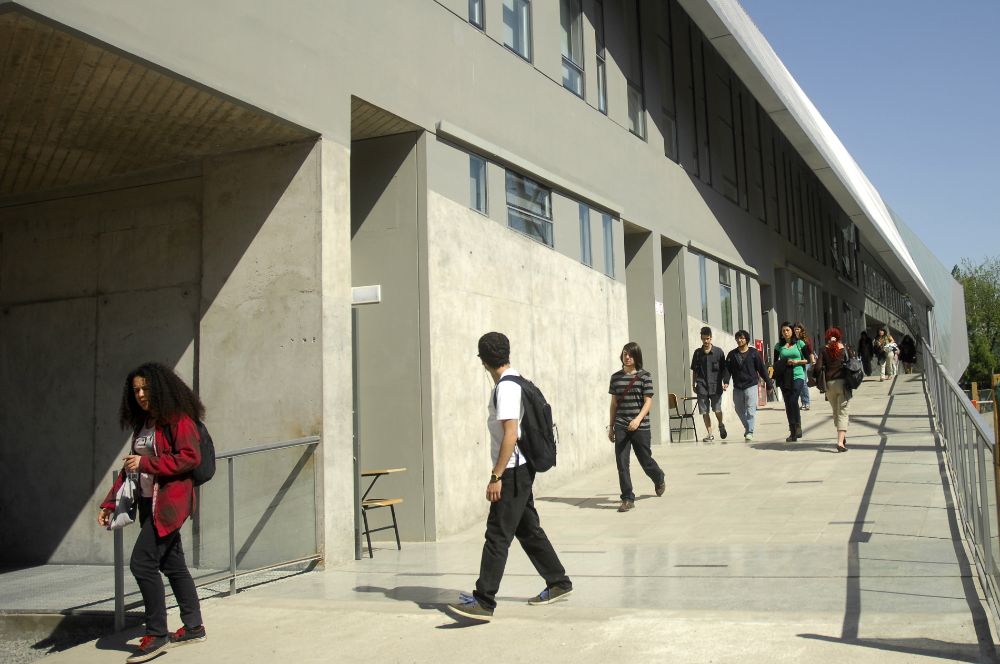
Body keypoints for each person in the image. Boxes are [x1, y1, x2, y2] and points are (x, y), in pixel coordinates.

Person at [448, 332, 572, 622]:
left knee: (497, 534)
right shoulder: (518, 380)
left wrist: (496, 476)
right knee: (528, 530)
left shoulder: (506, 388)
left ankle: (483, 600)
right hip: (521, 469)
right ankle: (558, 582)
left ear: (483, 360)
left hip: (513, 471)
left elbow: (511, 434)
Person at [98, 362, 207, 664]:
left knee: (142, 563)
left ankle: (157, 633)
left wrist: (146, 464)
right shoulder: (143, 423)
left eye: (146, 388)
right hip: (149, 503)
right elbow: (131, 467)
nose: (141, 394)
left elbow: (189, 457)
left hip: (170, 505)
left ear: (160, 387)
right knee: (173, 565)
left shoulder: (178, 419)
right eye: (136, 390)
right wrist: (110, 503)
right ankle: (194, 626)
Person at [607, 342, 666, 512]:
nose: (627, 357)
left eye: (630, 354)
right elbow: (613, 404)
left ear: (636, 357)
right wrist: (611, 427)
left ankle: (659, 477)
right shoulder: (615, 377)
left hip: (640, 426)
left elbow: (648, 401)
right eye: (625, 354)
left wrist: (638, 420)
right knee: (622, 463)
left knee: (645, 461)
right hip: (621, 424)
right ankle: (627, 498)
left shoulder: (645, 376)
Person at [723, 330, 773, 442]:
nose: (739, 340)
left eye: (741, 338)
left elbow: (762, 369)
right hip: (737, 386)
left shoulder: (754, 353)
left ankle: (750, 431)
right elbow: (727, 370)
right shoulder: (732, 354)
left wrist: (769, 384)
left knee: (750, 409)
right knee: (739, 409)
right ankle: (747, 427)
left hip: (751, 385)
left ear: (746, 339)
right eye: (737, 338)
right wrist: (726, 381)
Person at [813, 327, 854, 452]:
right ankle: (840, 442)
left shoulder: (823, 350)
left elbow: (818, 368)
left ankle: (841, 436)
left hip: (829, 385)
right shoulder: (844, 349)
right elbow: (852, 363)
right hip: (843, 384)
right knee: (843, 412)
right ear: (839, 336)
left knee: (836, 411)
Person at [690, 326, 729, 442]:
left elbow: (724, 369)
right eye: (703, 339)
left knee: (717, 409)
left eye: (707, 339)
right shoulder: (697, 353)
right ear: (701, 339)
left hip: (716, 386)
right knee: (704, 411)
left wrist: (725, 382)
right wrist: (693, 385)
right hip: (702, 386)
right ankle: (710, 434)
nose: (705, 341)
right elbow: (694, 371)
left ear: (711, 338)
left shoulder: (718, 352)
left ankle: (721, 424)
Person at [773, 322, 808, 442]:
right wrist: (785, 362)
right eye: (783, 331)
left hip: (798, 374)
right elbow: (775, 363)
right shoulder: (778, 346)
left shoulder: (800, 343)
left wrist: (796, 362)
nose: (785, 332)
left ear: (792, 331)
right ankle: (792, 431)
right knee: (788, 403)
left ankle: (797, 425)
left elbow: (807, 360)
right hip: (784, 377)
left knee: (793, 399)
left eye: (787, 330)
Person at [793, 322, 816, 411]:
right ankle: (803, 402)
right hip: (797, 363)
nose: (796, 331)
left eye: (798, 329)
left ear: (801, 330)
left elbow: (810, 351)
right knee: (799, 383)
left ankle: (806, 403)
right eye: (795, 329)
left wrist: (813, 362)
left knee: (803, 383)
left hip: (805, 362)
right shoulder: (794, 340)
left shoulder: (805, 340)